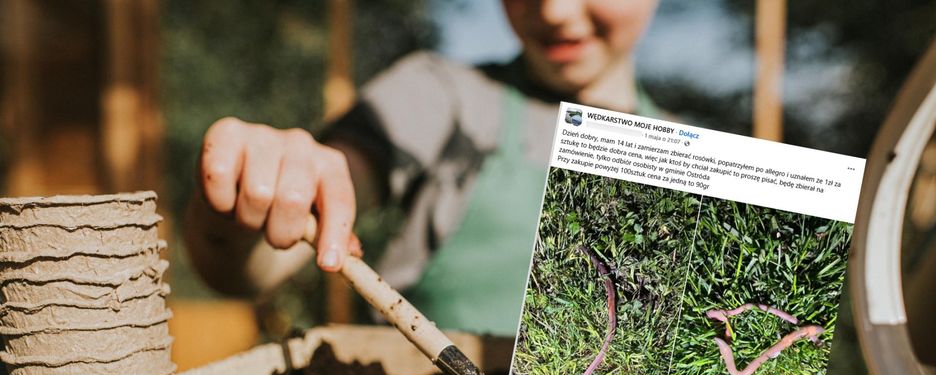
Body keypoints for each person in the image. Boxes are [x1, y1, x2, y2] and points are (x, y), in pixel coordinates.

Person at [185, 0, 662, 336]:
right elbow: (262, 261)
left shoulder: (697, 169)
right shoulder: (446, 95)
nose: (554, 10)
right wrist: (257, 193)